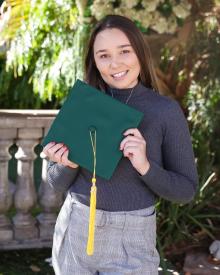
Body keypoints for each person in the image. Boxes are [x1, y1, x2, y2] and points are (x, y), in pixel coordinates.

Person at [43, 14, 198, 275]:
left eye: (124, 51)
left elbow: (185, 190)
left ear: (139, 52)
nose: (115, 63)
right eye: (103, 55)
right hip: (76, 228)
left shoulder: (165, 112)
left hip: (133, 238)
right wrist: (66, 164)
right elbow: (54, 182)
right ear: (94, 60)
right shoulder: (83, 104)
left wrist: (145, 165)